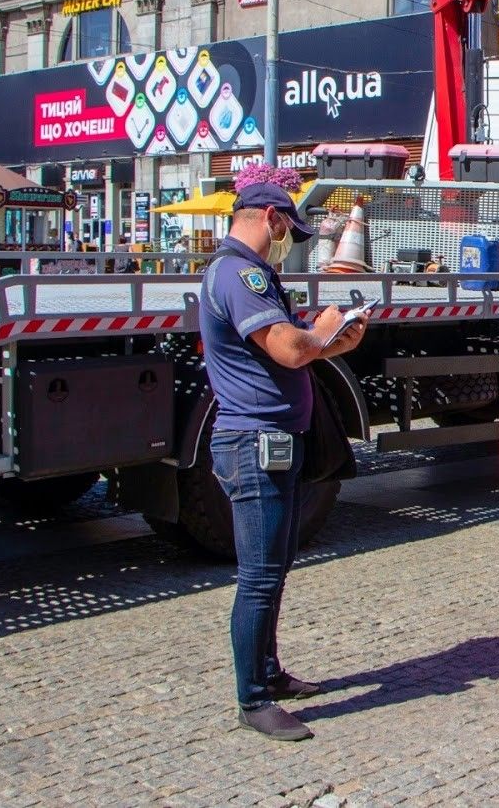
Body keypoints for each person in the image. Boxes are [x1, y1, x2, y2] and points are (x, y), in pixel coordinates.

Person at [198, 183, 366, 742]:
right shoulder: (238, 274)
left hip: (273, 441)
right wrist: (320, 333)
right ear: (269, 217)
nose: (287, 243)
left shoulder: (252, 273)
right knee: (260, 577)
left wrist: (335, 340)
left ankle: (268, 672)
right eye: (287, 232)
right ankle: (253, 699)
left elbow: (298, 351)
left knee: (275, 568)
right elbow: (291, 349)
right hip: (254, 444)